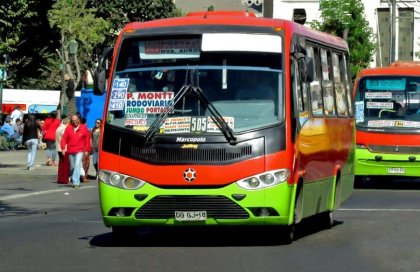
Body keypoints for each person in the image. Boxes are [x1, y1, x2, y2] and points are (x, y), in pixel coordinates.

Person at [61, 114, 91, 189]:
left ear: (78, 120)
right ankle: (73, 176)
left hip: (80, 150)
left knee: (77, 164)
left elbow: (87, 139)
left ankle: (76, 182)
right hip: (71, 150)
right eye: (73, 120)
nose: (74, 122)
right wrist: (63, 148)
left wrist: (87, 150)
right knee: (72, 166)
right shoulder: (68, 128)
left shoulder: (84, 128)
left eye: (75, 120)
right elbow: (64, 138)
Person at [56, 116, 70, 184]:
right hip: (64, 148)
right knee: (65, 164)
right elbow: (65, 139)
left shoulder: (59, 128)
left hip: (59, 148)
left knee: (61, 164)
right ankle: (64, 179)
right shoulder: (64, 129)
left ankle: (60, 178)